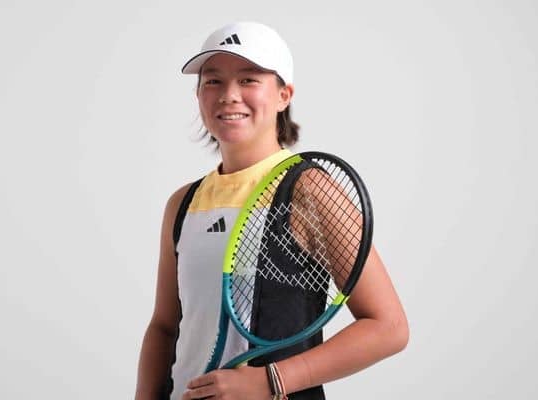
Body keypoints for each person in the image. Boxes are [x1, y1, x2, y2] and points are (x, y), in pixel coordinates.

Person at [135, 21, 409, 400]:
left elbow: (388, 327)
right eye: (213, 81)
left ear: (284, 95)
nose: (229, 95)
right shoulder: (183, 202)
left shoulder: (309, 191)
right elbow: (165, 327)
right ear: (198, 95)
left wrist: (270, 381)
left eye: (248, 79)